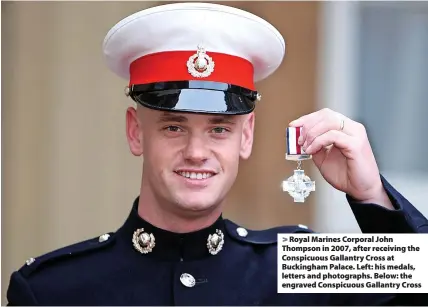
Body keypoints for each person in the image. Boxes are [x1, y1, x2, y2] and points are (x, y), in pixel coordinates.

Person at [6, 2, 428, 306]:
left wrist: (371, 195)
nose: (196, 151)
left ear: (246, 138)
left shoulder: (301, 267)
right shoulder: (53, 290)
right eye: (174, 127)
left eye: (219, 129)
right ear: (136, 133)